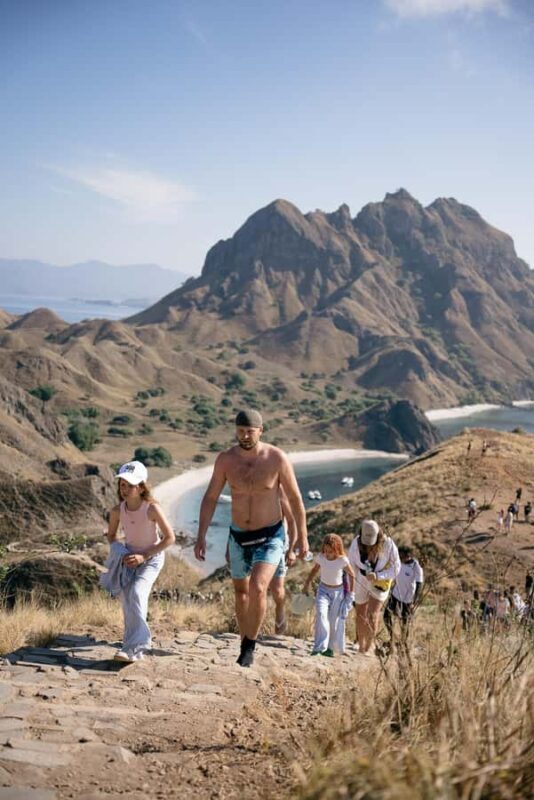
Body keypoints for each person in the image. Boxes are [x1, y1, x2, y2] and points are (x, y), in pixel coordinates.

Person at [194, 409, 308, 668]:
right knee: (241, 593)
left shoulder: (276, 458)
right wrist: (201, 535)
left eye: (250, 431)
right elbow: (211, 497)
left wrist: (302, 536)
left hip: (270, 535)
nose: (245, 436)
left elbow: (294, 498)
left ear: (261, 431)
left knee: (258, 586)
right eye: (241, 431)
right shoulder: (225, 460)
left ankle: (249, 646)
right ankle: (245, 638)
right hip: (238, 537)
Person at [105, 460, 175, 662]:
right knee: (127, 598)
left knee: (136, 592)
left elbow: (170, 538)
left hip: (151, 559)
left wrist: (144, 556)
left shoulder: (151, 509)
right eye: (122, 484)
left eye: (130, 484)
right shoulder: (117, 511)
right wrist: (120, 549)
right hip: (129, 559)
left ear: (141, 486)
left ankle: (136, 648)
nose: (125, 489)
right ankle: (129, 644)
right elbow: (111, 536)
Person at [348, 520, 400, 656]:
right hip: (361, 578)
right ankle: (360, 645)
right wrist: (351, 587)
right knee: (360, 613)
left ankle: (368, 647)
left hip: (380, 581)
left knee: (372, 614)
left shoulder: (388, 544)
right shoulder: (356, 543)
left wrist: (378, 575)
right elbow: (351, 564)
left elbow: (396, 568)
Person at [303, 534, 355, 657]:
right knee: (321, 615)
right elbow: (314, 570)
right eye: (325, 550)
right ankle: (319, 648)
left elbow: (352, 575)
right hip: (323, 590)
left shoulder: (342, 560)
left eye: (330, 551)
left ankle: (330, 649)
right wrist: (306, 584)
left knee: (333, 621)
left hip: (338, 592)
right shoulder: (321, 558)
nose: (327, 554)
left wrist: (351, 595)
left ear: (337, 550)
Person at [269, 488, 297, 635]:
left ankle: (280, 608)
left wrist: (291, 549)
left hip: (279, 545)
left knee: (277, 589)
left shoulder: (280, 491)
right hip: (255, 543)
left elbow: (292, 522)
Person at [383, 546, 423, 637]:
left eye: (402, 556)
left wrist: (414, 601)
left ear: (408, 556)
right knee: (386, 616)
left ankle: (403, 642)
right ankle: (392, 637)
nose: (400, 558)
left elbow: (419, 584)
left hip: (407, 599)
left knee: (405, 623)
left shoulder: (416, 567)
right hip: (395, 594)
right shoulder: (398, 562)